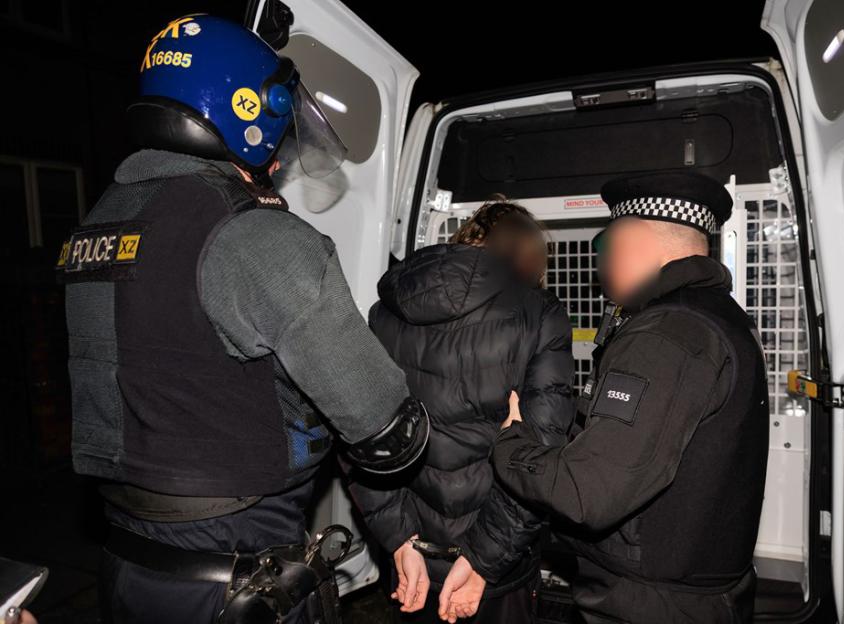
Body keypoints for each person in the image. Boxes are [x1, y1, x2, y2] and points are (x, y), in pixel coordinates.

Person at [58, 16, 428, 624]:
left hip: (127, 569)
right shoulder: (256, 235)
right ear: (249, 110)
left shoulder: (96, 227)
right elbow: (386, 431)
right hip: (238, 582)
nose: (280, 160)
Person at [493, 172, 770, 623]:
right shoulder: (723, 318)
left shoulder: (666, 335)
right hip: (700, 590)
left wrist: (510, 446)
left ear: (636, 238)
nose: (600, 262)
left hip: (652, 604)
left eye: (606, 244)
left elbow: (586, 492)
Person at [345, 199, 576, 623]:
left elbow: (359, 434)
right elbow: (537, 460)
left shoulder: (385, 313)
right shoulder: (540, 314)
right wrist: (482, 560)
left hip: (412, 561)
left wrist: (400, 541)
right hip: (495, 564)